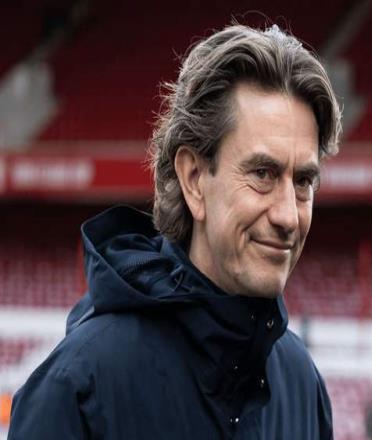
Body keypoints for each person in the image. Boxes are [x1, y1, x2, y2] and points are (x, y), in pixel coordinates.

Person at [8, 23, 341, 439]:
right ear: (194, 179)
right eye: (262, 174)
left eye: (303, 181)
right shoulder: (77, 388)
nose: (288, 216)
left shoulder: (302, 384)